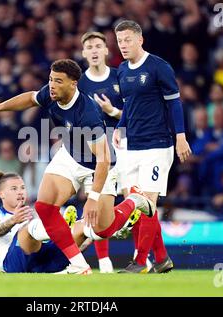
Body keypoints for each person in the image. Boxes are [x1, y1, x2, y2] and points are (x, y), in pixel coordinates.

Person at [0, 59, 155, 274]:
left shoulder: (87, 114)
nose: (52, 85)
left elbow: (103, 159)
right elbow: (30, 98)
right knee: (44, 206)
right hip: (70, 156)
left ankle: (134, 201)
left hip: (99, 165)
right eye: (50, 79)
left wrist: (93, 198)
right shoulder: (52, 94)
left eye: (58, 81)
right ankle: (79, 264)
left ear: (73, 84)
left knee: (102, 229)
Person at [113, 20, 192, 273]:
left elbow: (174, 103)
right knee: (135, 206)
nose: (123, 45)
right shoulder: (122, 70)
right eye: (119, 41)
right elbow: (129, 104)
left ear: (140, 40)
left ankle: (139, 262)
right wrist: (120, 126)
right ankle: (161, 258)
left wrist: (180, 136)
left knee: (147, 202)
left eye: (127, 40)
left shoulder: (159, 67)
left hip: (157, 145)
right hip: (130, 146)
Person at [0, 171, 151, 273]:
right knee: (27, 229)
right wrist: (13, 220)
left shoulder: (34, 211)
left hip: (48, 262)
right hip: (15, 264)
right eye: (14, 189)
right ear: (1, 194)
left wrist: (87, 238)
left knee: (85, 225)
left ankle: (119, 224)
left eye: (22, 188)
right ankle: (63, 227)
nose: (20, 192)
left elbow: (77, 247)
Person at [77, 31, 126, 274]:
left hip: (125, 145)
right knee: (97, 200)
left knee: (132, 199)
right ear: (83, 53)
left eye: (98, 46)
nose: (94, 50)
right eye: (89, 47)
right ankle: (104, 260)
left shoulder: (121, 76)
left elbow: (136, 112)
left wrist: (112, 111)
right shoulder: (79, 83)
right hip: (94, 150)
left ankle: (143, 257)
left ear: (106, 50)